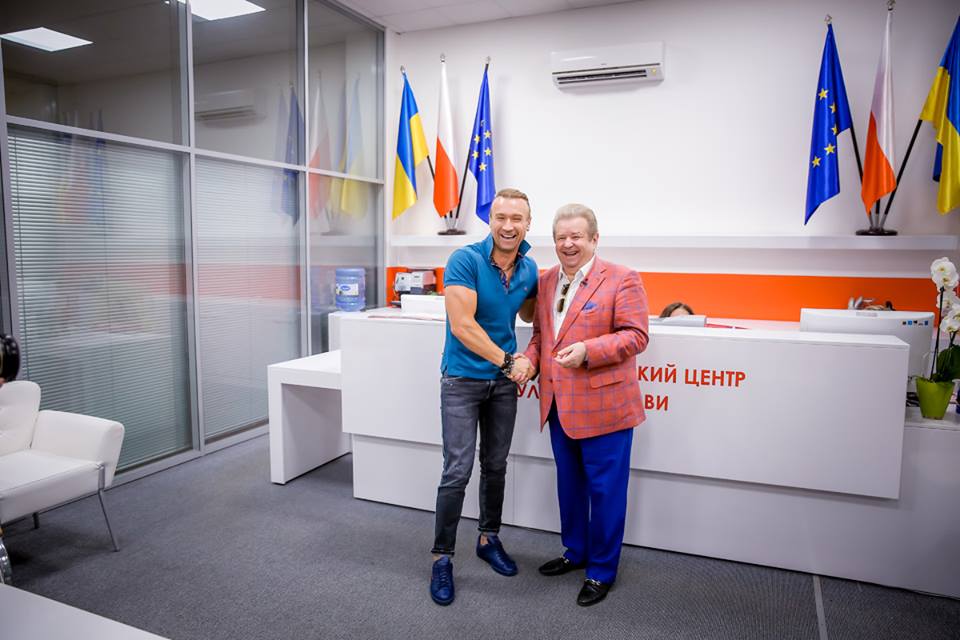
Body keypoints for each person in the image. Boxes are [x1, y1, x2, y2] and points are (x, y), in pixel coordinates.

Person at [516, 203, 649, 607]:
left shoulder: (622, 278)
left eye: (576, 236)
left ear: (594, 239)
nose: (568, 244)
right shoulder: (546, 280)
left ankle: (601, 571)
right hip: (558, 405)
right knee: (570, 487)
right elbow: (542, 336)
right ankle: (575, 551)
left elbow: (636, 335)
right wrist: (529, 361)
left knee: (606, 492)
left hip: (606, 408)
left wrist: (589, 350)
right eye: (561, 237)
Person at [429, 188, 539, 606]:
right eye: (500, 217)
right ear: (490, 220)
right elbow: (463, 326)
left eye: (517, 218)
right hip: (462, 379)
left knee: (495, 465)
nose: (508, 225)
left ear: (528, 224)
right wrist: (509, 361)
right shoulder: (466, 260)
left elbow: (529, 313)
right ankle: (442, 558)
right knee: (457, 470)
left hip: (503, 385)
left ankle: (488, 539)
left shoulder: (529, 268)